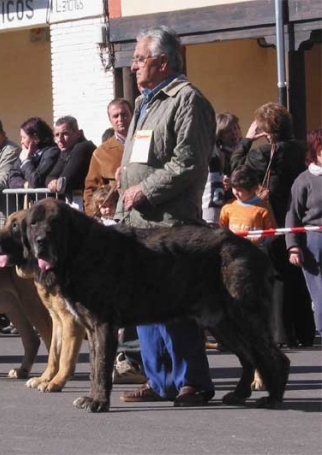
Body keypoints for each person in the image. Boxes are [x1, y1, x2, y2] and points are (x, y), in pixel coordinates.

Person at [116, 26, 216, 406]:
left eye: (140, 58)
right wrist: (123, 194)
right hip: (137, 223)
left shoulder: (187, 100)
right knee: (144, 306)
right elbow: (139, 158)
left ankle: (192, 381)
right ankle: (160, 381)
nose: (133, 65)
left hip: (169, 222)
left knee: (176, 305)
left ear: (161, 62)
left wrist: (146, 189)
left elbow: (188, 163)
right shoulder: (144, 102)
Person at [231, 102, 315, 347]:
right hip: (302, 215)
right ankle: (305, 331)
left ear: (265, 130)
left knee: (277, 275)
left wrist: (246, 140)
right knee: (300, 274)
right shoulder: (302, 148)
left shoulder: (264, 152)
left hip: (273, 216)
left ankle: (282, 334)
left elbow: (237, 171)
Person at [285, 128, 322, 335]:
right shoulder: (304, 180)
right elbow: (292, 215)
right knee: (320, 293)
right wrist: (293, 247)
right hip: (313, 243)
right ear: (314, 152)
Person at [83, 98, 133, 214]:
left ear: (132, 114)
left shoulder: (146, 140)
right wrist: (93, 218)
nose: (120, 119)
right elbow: (91, 189)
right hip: (117, 216)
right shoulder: (101, 153)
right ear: (110, 119)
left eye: (124, 114)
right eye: (116, 116)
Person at [219, 165, 276, 247]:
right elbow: (221, 230)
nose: (236, 192)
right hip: (233, 251)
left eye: (240, 190)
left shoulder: (263, 208)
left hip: (256, 252)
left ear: (254, 189)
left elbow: (273, 231)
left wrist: (262, 239)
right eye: (234, 188)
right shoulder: (228, 207)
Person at [46, 116, 96, 210]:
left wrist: (57, 182)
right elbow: (50, 177)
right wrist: (52, 182)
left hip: (91, 206)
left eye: (65, 134)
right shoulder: (66, 151)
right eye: (56, 135)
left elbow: (65, 182)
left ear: (78, 133)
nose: (60, 139)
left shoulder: (83, 147)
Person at [202, 112, 242, 226]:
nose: (234, 133)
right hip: (222, 205)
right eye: (228, 131)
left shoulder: (245, 150)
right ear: (219, 134)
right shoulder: (215, 154)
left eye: (235, 128)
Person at [8, 117, 60, 189]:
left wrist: (26, 161)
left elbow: (36, 180)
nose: (21, 141)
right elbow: (12, 176)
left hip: (46, 199)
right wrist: (26, 185)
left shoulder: (52, 152)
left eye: (24, 137)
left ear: (36, 139)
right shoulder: (25, 153)